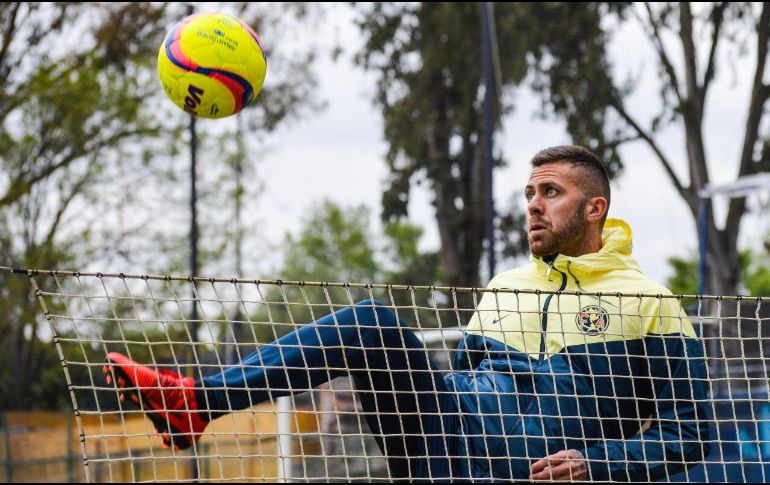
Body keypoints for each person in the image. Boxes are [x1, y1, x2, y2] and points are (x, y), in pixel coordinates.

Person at [104, 145, 710, 481]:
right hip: (446, 442)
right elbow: (463, 372)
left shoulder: (650, 302)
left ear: (595, 208)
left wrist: (596, 464)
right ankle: (198, 403)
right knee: (374, 322)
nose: (533, 206)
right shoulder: (503, 286)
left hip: (538, 472)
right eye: (529, 193)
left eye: (551, 193)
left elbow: (692, 431)